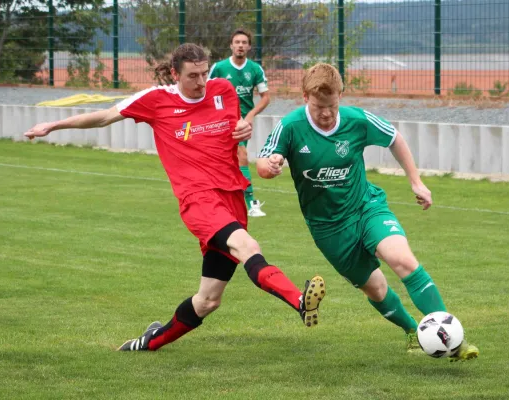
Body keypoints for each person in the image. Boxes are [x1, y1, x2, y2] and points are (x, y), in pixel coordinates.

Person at [23, 43, 325, 352]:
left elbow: (234, 131)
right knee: (248, 246)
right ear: (174, 74)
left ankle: (148, 342)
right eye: (193, 75)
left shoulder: (224, 90)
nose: (201, 82)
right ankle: (300, 301)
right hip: (197, 200)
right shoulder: (157, 100)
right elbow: (104, 117)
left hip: (232, 196)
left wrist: (242, 129)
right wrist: (53, 125)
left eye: (204, 73)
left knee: (208, 300)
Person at [256, 63, 479, 361]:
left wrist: (416, 181)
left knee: (403, 261)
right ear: (305, 96)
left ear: (340, 96)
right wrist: (269, 167)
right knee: (376, 288)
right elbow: (263, 162)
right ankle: (413, 332)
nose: (326, 113)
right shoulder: (291, 126)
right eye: (319, 106)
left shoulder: (357, 120)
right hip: (328, 229)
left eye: (332, 105)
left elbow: (394, 138)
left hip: (366, 207)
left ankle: (453, 340)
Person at [209, 28, 270, 217]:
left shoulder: (254, 69)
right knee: (231, 159)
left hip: (242, 123)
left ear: (249, 46)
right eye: (237, 42)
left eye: (244, 42)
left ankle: (249, 204)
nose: (240, 45)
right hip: (221, 121)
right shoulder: (219, 68)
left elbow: (265, 97)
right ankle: (246, 203)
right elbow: (207, 93)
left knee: (240, 156)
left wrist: (250, 116)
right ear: (231, 45)